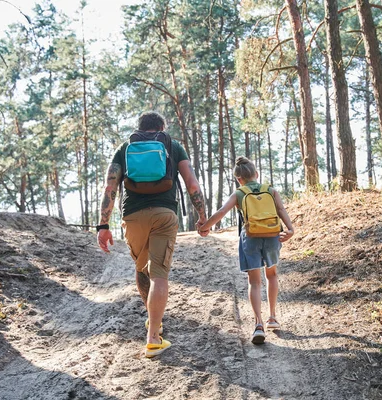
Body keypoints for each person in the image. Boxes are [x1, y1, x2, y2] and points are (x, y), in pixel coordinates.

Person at [96, 111, 207, 358]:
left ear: (140, 128)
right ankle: (154, 337)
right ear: (161, 127)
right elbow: (192, 184)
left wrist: (103, 225)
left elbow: (110, 187)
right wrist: (202, 215)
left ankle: (152, 320)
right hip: (164, 214)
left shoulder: (125, 147)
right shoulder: (173, 145)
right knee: (159, 274)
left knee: (141, 268)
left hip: (132, 216)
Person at [196, 156, 294, 344]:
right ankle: (272, 317)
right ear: (256, 174)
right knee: (272, 275)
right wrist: (290, 229)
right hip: (273, 235)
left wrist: (205, 227)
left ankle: (258, 325)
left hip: (250, 237)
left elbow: (221, 212)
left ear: (238, 179)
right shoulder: (270, 190)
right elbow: (281, 210)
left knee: (254, 282)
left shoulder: (239, 193)